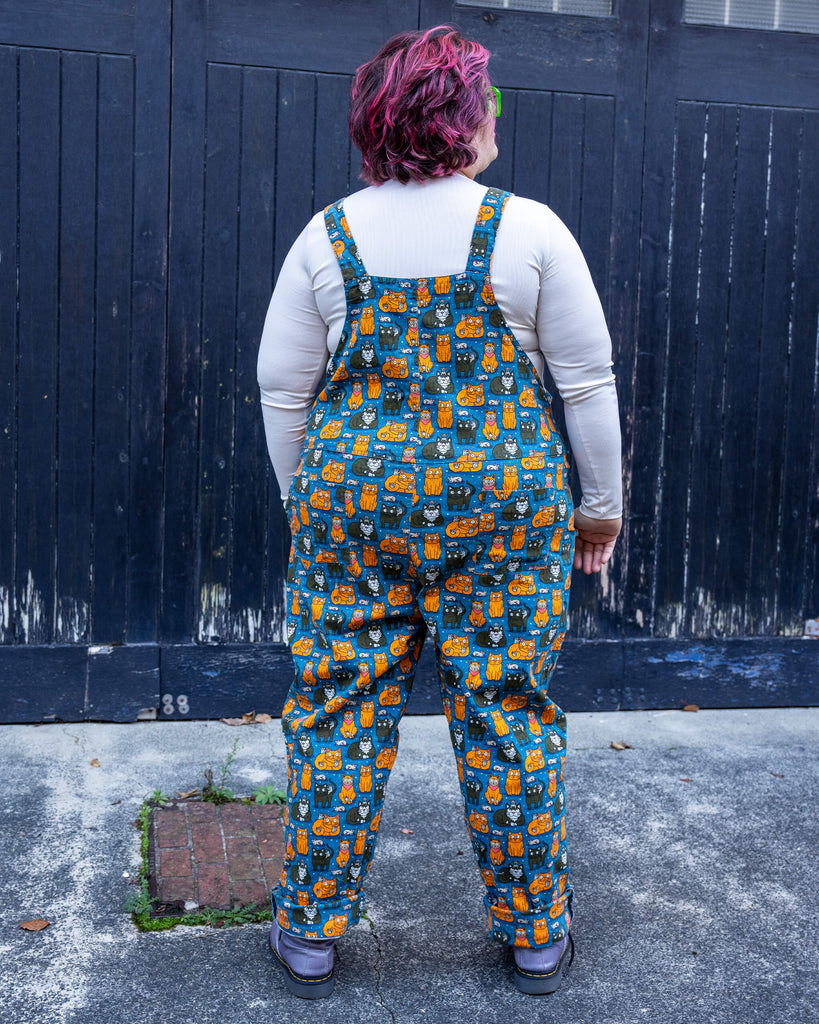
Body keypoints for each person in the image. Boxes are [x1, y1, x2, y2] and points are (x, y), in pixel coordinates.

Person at [257, 25, 622, 999]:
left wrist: (311, 507)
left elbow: (281, 391)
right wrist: (601, 508)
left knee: (337, 712)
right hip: (504, 516)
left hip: (353, 515)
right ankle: (539, 938)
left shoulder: (327, 238)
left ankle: (309, 937)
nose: (496, 113)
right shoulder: (529, 230)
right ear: (456, 115)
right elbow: (586, 384)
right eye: (485, 98)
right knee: (506, 714)